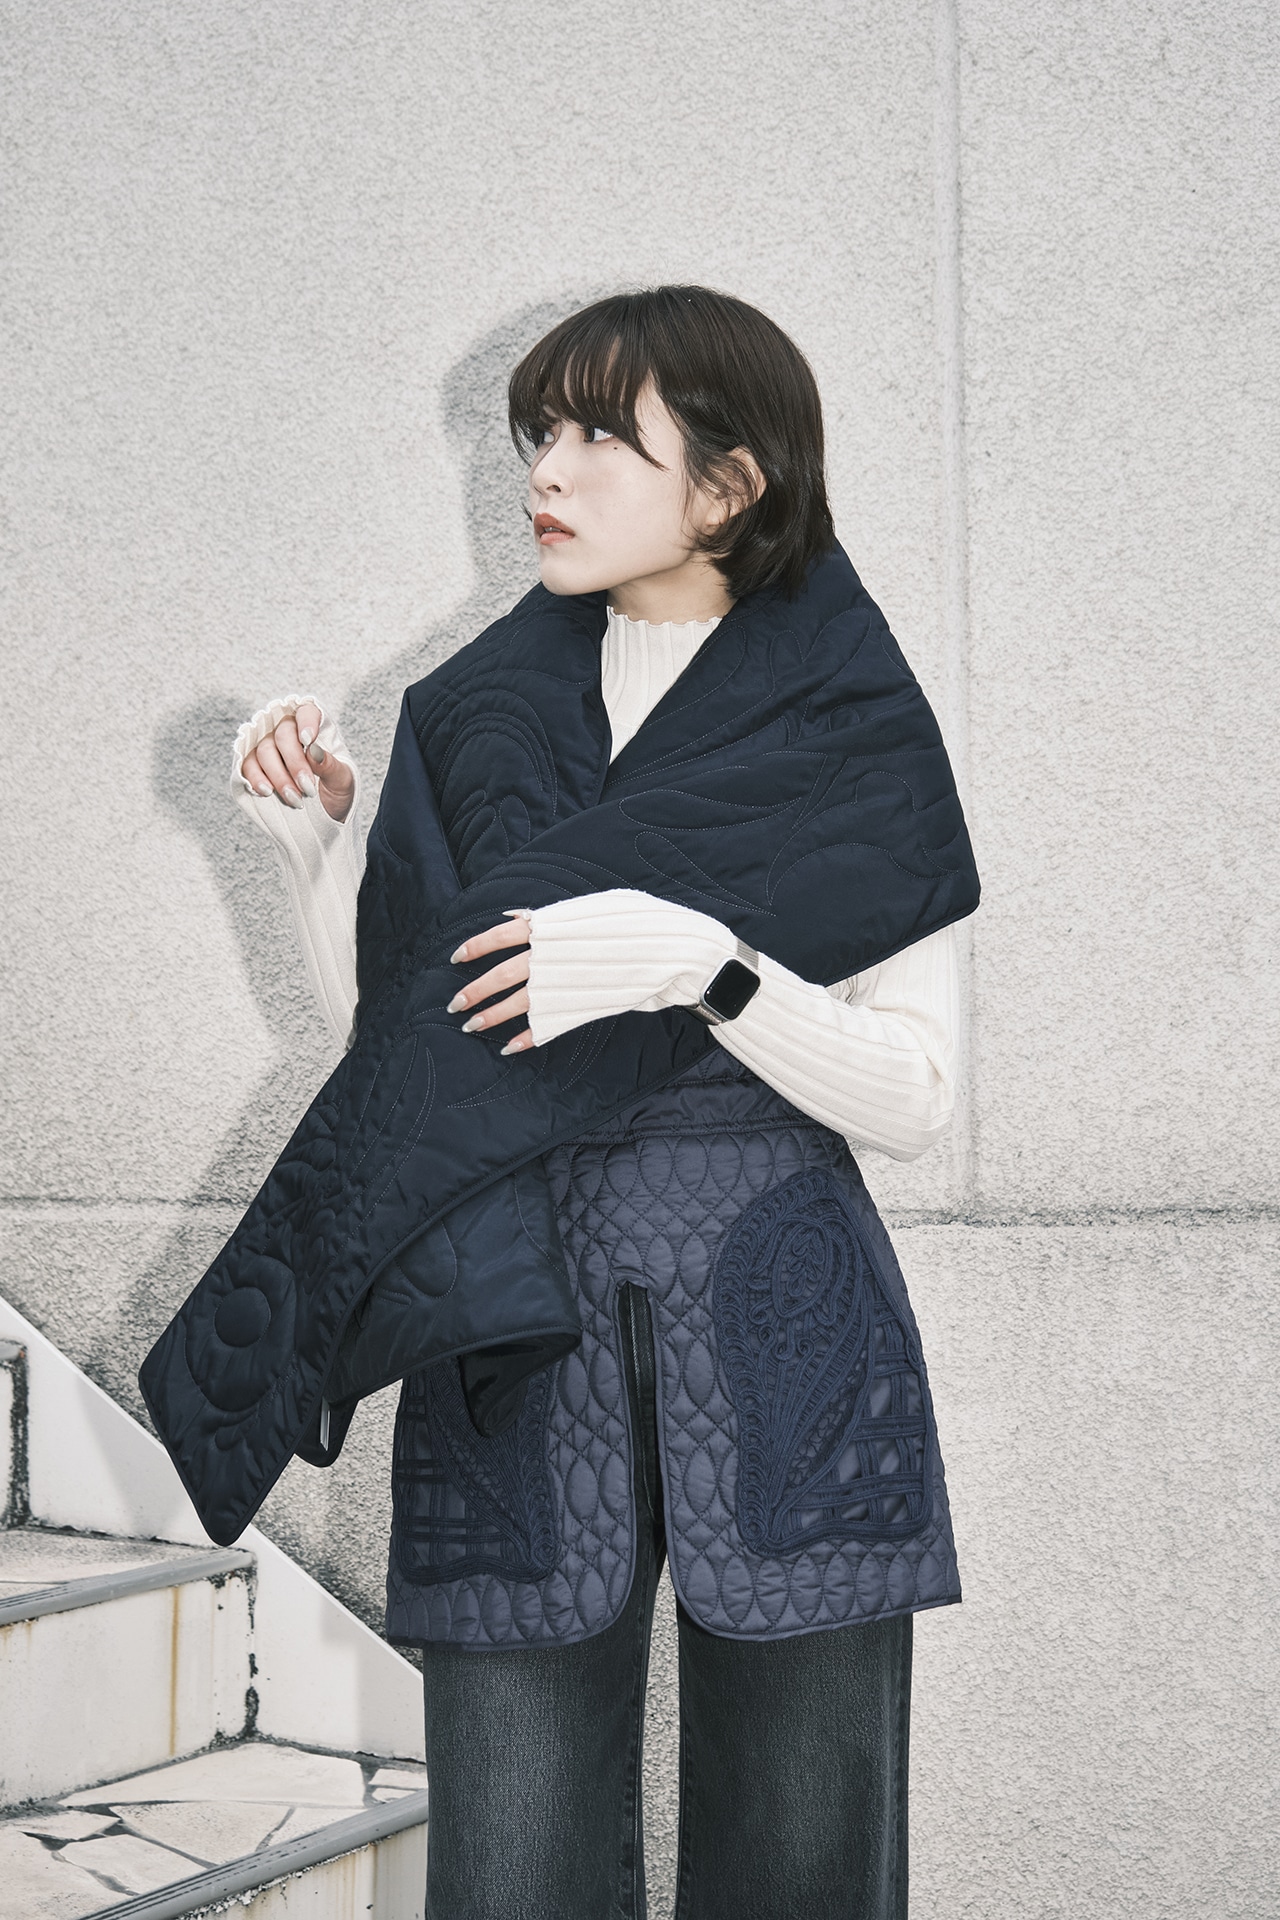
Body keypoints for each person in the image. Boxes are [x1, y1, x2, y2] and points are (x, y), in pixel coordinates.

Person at [229, 287, 974, 1920]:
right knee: (512, 1875)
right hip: (515, 1336)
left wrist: (709, 969)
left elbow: (919, 1096)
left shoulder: (851, 723)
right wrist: (320, 854)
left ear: (729, 484)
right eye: (537, 436)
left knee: (807, 1870)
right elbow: (412, 1065)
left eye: (595, 439)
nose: (545, 474)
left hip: (788, 1329)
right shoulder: (472, 717)